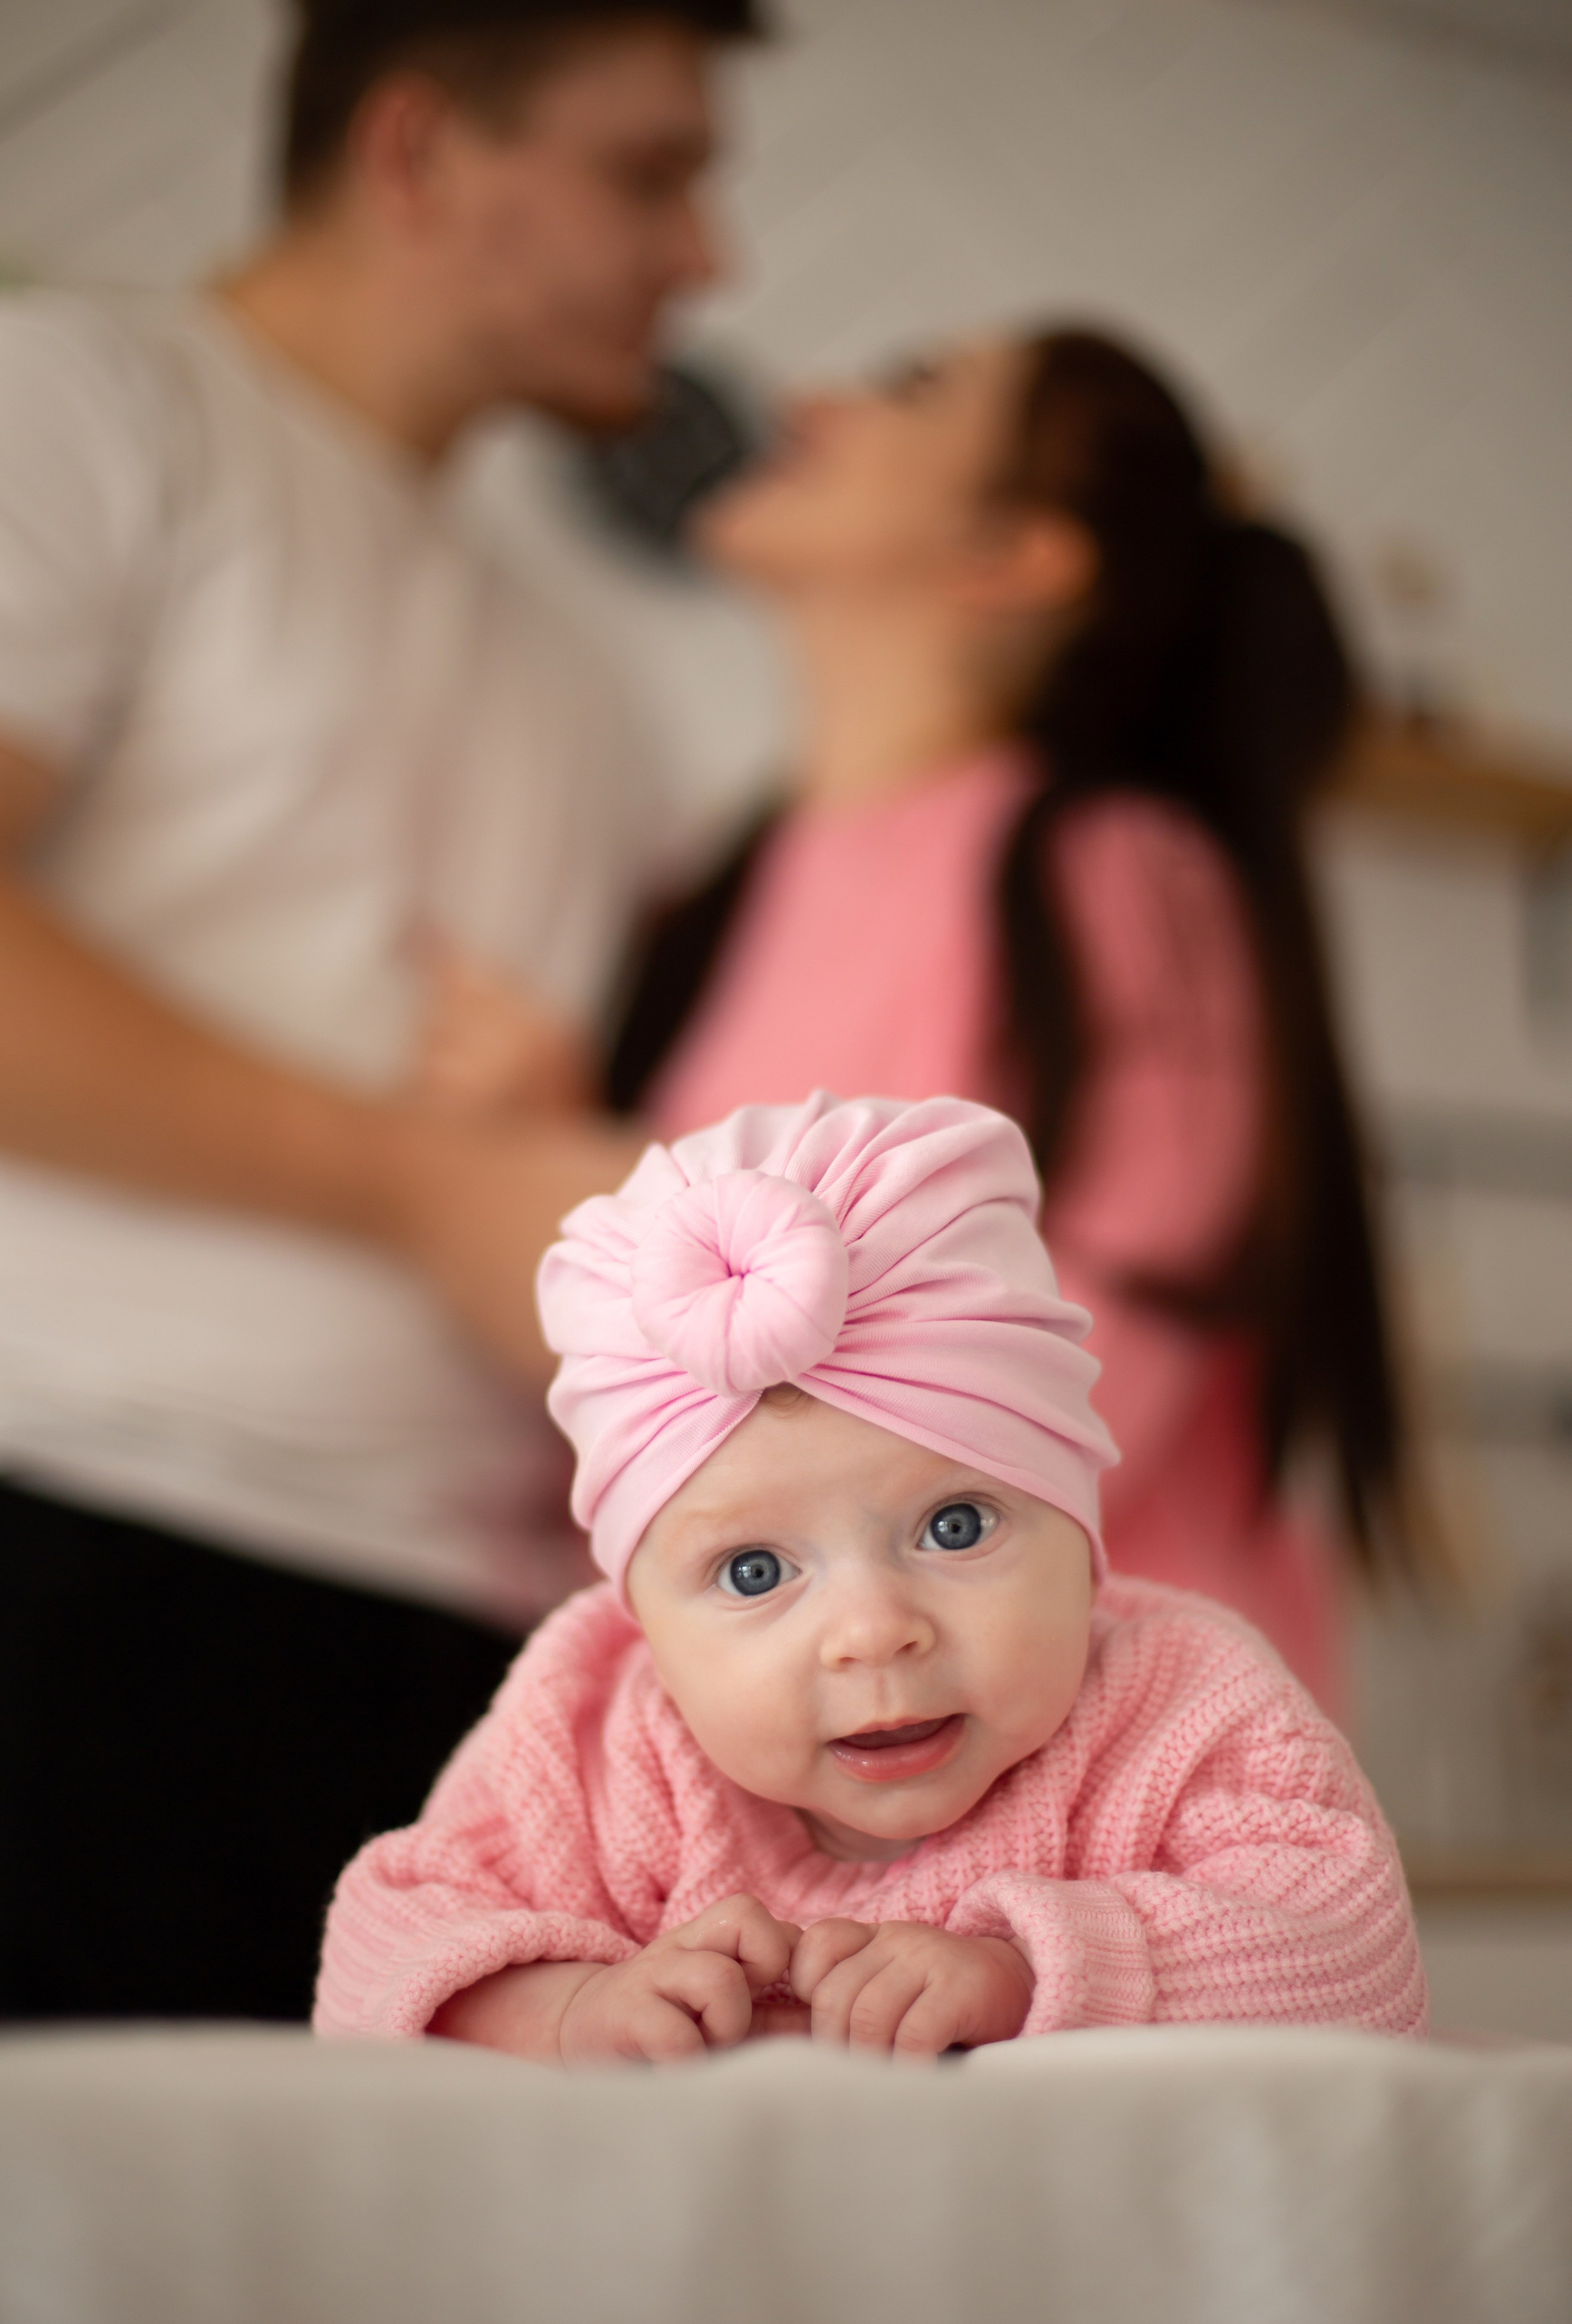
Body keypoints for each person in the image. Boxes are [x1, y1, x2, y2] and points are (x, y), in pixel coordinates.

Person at [0, 0, 763, 2025]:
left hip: (477, 1673)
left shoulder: (595, 684)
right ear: (417, 152)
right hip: (79, 1570)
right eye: (649, 172)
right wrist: (411, 1175)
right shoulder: (83, 405)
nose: (710, 258)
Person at [580, 329, 1408, 1722]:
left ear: (1015, 556)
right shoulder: (719, 887)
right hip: (802, 1743)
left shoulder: (1114, 877)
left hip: (1102, 1770)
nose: (806, 395)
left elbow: (1087, 1396)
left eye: (905, 386)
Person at [315, 1093, 1426, 2060]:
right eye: (754, 1569)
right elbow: (376, 1958)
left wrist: (1032, 1978)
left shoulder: (1180, 1706)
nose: (873, 1631)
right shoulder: (596, 1732)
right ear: (640, 1617)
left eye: (954, 1525)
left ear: (1077, 1529)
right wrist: (564, 2014)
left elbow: (1356, 1951)